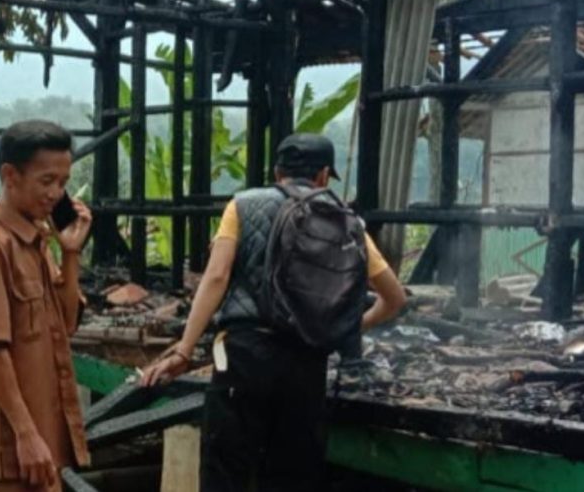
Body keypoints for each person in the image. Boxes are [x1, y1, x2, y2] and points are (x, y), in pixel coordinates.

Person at [141, 133, 407, 492]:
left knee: (226, 470)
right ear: (324, 175)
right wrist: (343, 329)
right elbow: (394, 298)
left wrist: (184, 349)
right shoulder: (346, 221)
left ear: (276, 171)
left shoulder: (243, 205)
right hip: (307, 362)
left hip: (243, 357)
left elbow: (216, 277)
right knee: (292, 475)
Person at [0, 121, 92, 492]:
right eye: (46, 181)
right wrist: (26, 435)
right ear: (10, 176)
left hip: (45, 443)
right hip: (16, 448)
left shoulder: (36, 244)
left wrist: (71, 253)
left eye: (62, 183)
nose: (56, 194)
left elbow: (66, 324)